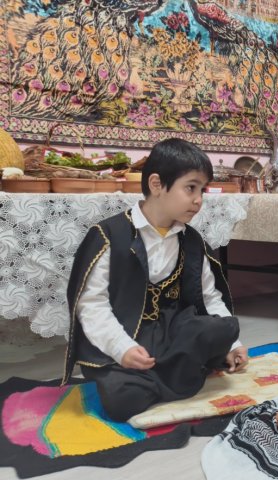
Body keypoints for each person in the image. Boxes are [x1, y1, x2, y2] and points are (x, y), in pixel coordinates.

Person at [62, 138, 248, 422]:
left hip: (173, 334)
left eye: (202, 190)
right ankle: (176, 375)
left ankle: (162, 376)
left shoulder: (192, 241)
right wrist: (122, 349)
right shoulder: (108, 236)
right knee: (122, 399)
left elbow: (210, 298)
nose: (199, 200)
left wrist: (233, 344)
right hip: (126, 338)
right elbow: (92, 305)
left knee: (224, 328)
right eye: (191, 188)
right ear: (157, 184)